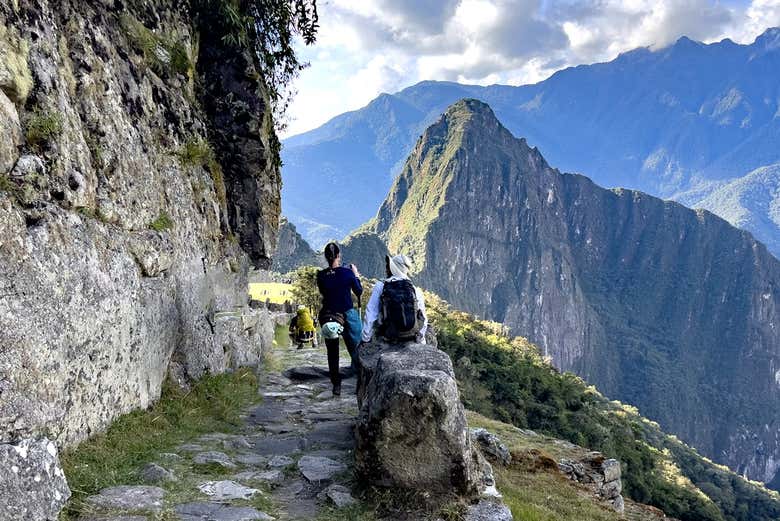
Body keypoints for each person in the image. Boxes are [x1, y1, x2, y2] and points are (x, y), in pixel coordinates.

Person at [316, 242, 363, 396]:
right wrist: (356, 275)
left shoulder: (321, 276)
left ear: (325, 257)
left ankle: (336, 384)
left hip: (328, 315)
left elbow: (327, 291)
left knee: (332, 351)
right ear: (338, 255)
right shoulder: (347, 273)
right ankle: (360, 379)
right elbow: (359, 291)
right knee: (357, 345)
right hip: (347, 313)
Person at [362, 253, 428, 344]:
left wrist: (365, 338)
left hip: (389, 335)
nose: (386, 270)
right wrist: (422, 340)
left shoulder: (381, 286)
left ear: (392, 269)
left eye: (388, 267)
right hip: (412, 336)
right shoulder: (415, 290)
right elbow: (423, 317)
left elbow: (371, 313)